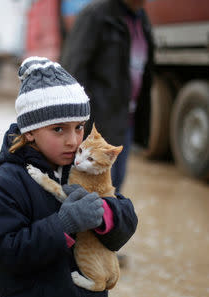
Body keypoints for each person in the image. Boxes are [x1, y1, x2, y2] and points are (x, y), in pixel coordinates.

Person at [0, 57, 138, 297]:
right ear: (30, 131)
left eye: (79, 127)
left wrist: (103, 213)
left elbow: (126, 220)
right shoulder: (6, 184)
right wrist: (65, 224)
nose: (73, 141)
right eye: (58, 129)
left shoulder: (86, 168)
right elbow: (7, 254)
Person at [61, 0, 154, 193]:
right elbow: (73, 72)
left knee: (113, 188)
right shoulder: (96, 16)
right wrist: (78, 129)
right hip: (98, 126)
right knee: (87, 195)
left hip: (125, 123)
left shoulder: (141, 20)